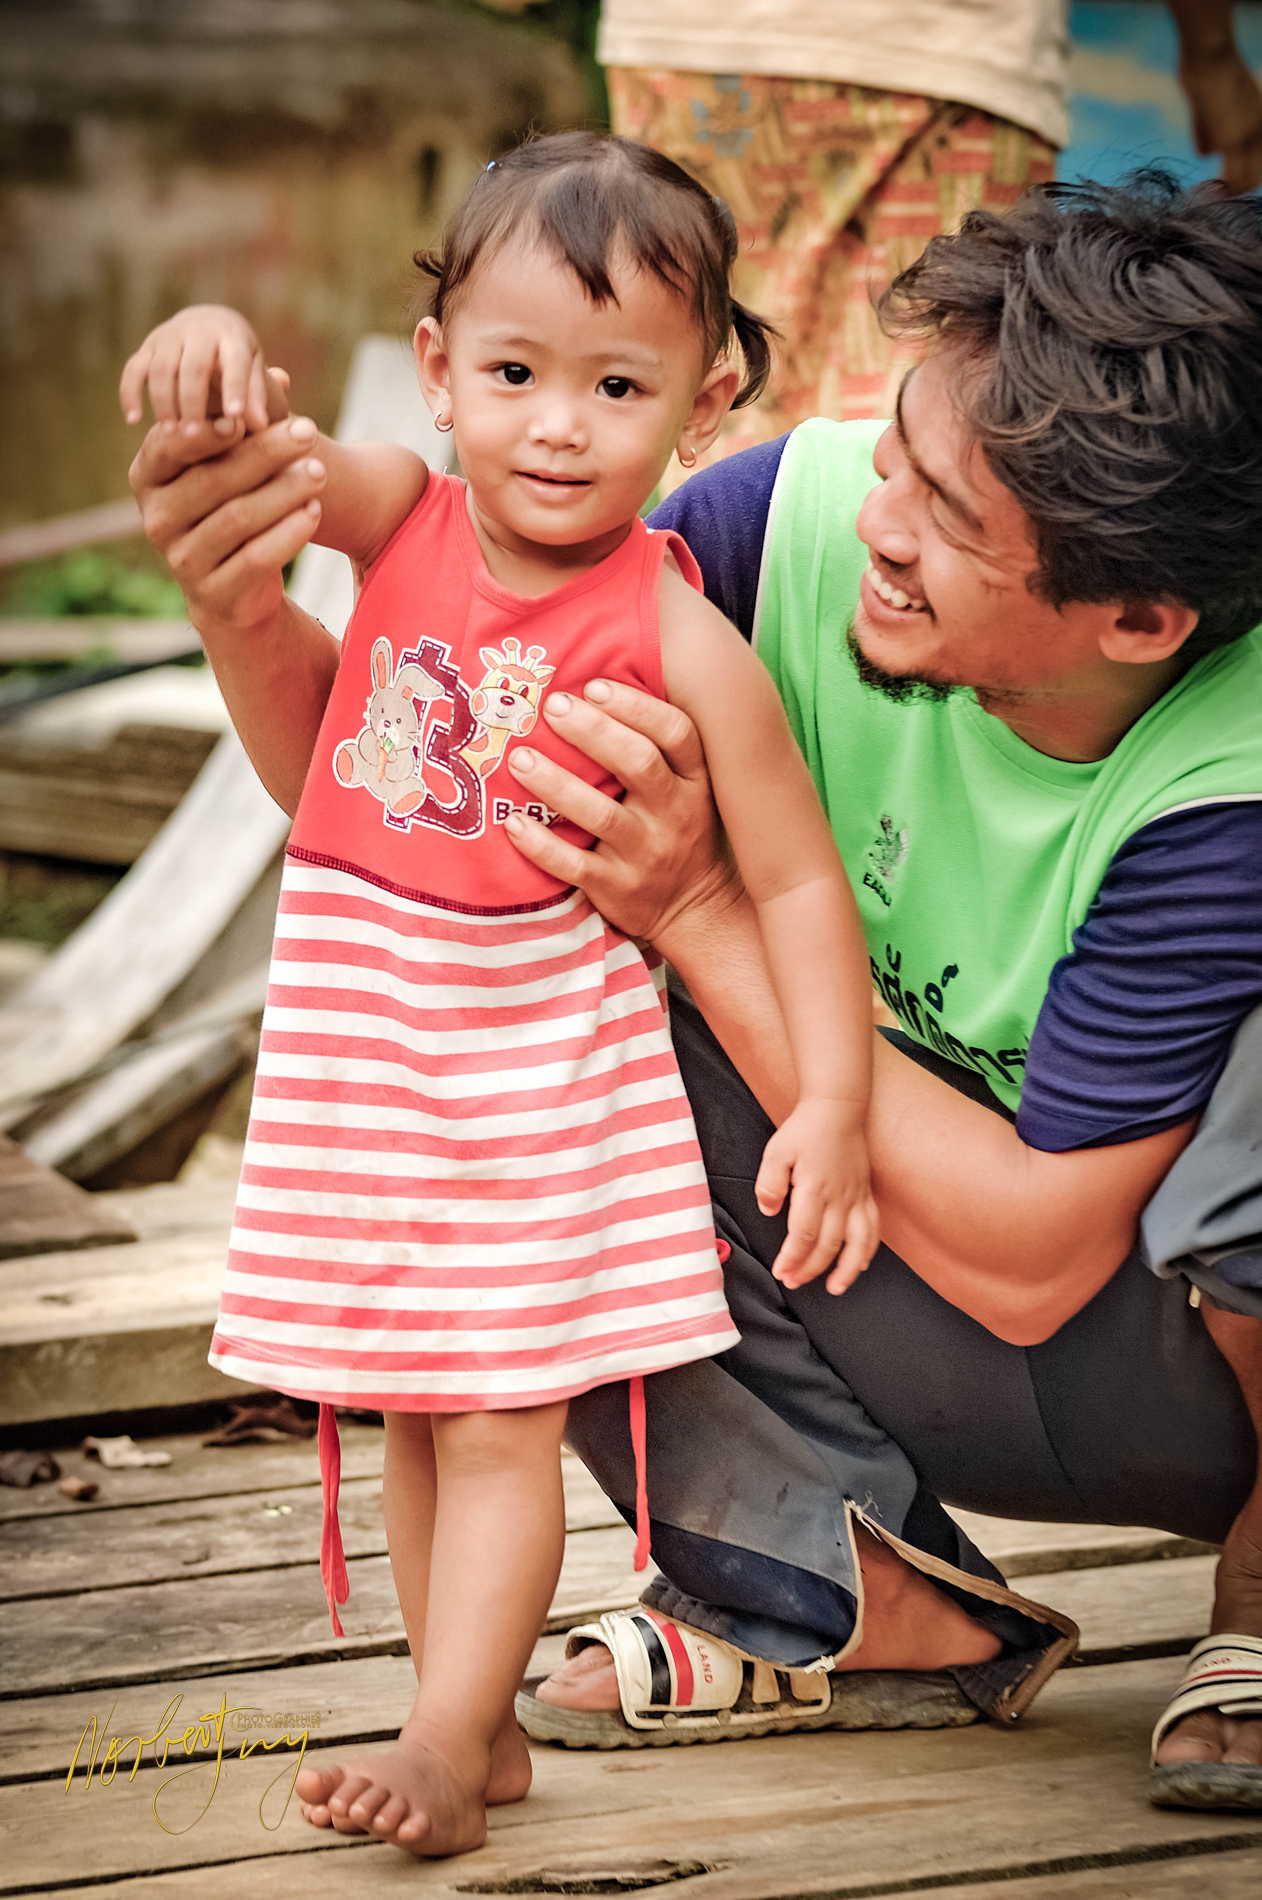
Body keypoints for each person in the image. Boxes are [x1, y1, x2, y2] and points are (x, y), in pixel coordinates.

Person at [127, 162, 1262, 1816]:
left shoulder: (1223, 788)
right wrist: (235, 581)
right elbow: (399, 800)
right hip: (860, 1252)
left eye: (947, 522)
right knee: (538, 1054)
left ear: (1138, 618)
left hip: (1154, 1370)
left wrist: (699, 910)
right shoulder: (763, 532)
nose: (877, 523)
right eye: (898, 455)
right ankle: (845, 1585)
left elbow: (1029, 1264)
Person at [119, 132, 883, 1858]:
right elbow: (259, 466)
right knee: (413, 1403)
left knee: (492, 1425)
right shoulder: (402, 514)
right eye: (516, 373)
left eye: (616, 386)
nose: (555, 425)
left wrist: (832, 1103)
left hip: (532, 1086)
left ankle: (448, 1741)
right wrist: (206, 348)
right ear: (440, 367)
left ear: (701, 404)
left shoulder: (676, 636)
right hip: (366, 1065)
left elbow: (793, 881)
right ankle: (462, 1717)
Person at [593, 0, 1262, 470]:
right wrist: (1210, 51)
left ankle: (694, 610)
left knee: (708, 380)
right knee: (924, 395)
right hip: (941, 47)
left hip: (694, 40)